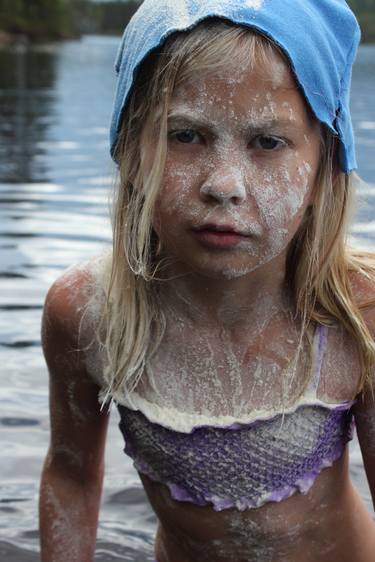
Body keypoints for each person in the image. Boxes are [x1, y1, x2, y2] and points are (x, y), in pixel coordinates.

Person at [39, 1, 375, 561]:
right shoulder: (87, 314)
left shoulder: (356, 314)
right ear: (130, 149)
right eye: (187, 134)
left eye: (268, 142)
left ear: (323, 166)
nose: (224, 185)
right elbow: (71, 481)